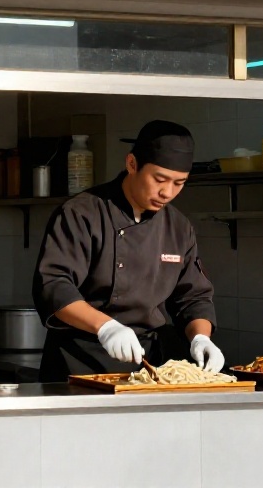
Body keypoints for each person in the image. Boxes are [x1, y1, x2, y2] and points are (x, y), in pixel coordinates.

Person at [32, 120, 225, 380]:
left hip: (147, 364)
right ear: (132, 164)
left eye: (179, 183)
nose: (167, 192)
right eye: (159, 179)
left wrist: (201, 337)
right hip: (79, 361)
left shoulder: (178, 226)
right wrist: (107, 327)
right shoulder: (82, 213)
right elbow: (53, 285)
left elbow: (192, 297)